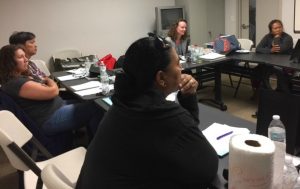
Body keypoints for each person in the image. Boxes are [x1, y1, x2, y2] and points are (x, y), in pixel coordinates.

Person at [76, 34, 218, 188]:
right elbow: (207, 167)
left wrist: (187, 96)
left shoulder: (123, 103)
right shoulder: (164, 117)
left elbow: (185, 136)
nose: (182, 69)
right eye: (177, 64)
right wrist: (189, 99)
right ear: (161, 78)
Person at [0, 45, 103, 138]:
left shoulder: (19, 78)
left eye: (25, 56)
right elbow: (53, 91)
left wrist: (46, 82)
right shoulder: (16, 83)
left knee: (91, 102)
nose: (26, 59)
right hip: (48, 118)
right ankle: (98, 149)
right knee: (95, 108)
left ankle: (93, 141)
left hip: (55, 108)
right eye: (21, 57)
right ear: (9, 62)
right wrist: (50, 81)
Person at [251, 19, 294, 117]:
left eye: (280, 27)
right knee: (256, 71)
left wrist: (277, 38)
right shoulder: (267, 36)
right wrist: (270, 50)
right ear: (271, 30)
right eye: (275, 28)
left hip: (285, 65)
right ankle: (259, 93)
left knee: (274, 74)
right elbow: (258, 49)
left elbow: (278, 50)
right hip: (270, 63)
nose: (278, 29)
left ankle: (279, 102)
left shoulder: (288, 38)